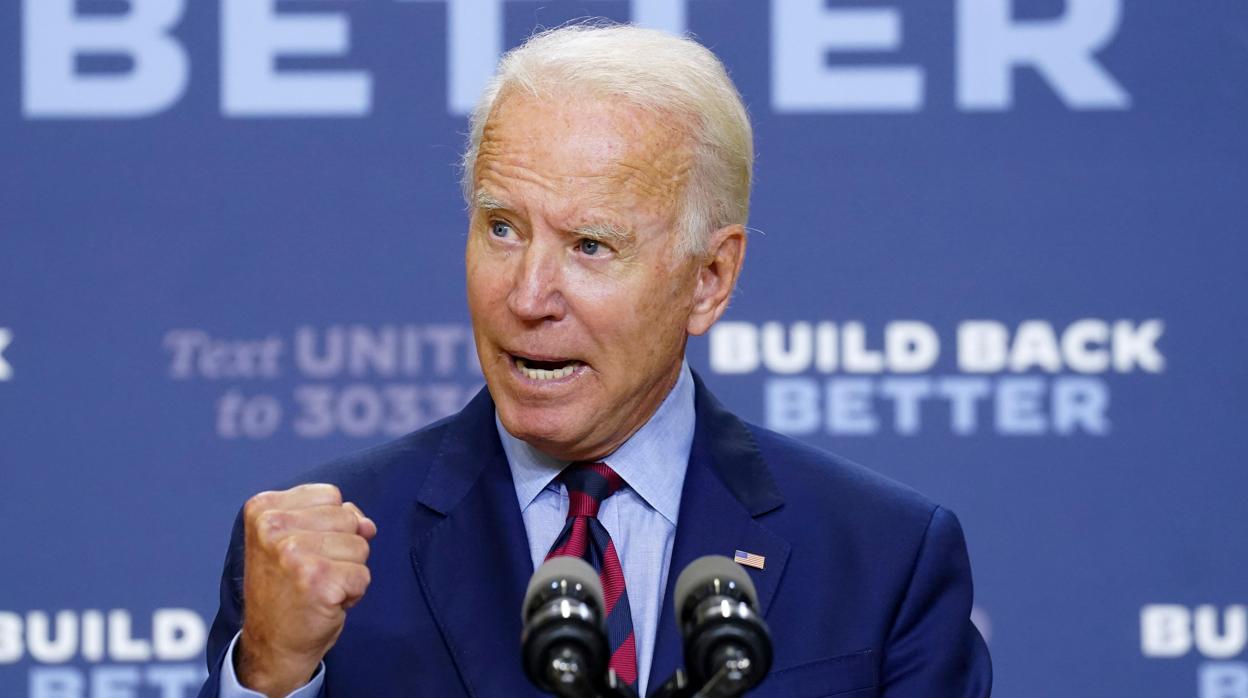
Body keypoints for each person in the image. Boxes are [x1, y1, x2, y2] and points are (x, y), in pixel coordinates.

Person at [200, 23, 992, 698]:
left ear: (709, 280)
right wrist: (273, 674)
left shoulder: (882, 560)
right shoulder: (318, 551)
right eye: (502, 227)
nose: (529, 293)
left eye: (590, 245)